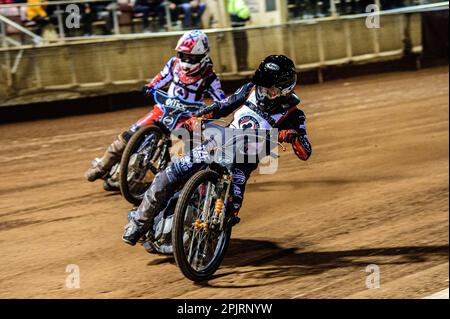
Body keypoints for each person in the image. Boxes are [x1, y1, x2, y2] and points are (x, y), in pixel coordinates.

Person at [122, 55, 312, 246]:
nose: (263, 92)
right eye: (261, 87)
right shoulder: (250, 90)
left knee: (231, 209)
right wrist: (196, 118)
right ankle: (138, 223)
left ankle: (210, 236)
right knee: (169, 174)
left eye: (269, 89)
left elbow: (305, 151)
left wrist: (292, 136)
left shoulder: (294, 114)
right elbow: (222, 106)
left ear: (285, 89)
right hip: (219, 142)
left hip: (243, 161)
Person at [84, 30, 226, 187]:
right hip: (164, 108)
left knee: (185, 153)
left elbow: (220, 101)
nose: (185, 60)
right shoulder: (174, 64)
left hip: (188, 117)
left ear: (202, 56)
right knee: (129, 134)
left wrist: (211, 112)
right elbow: (162, 77)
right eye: (183, 55)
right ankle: (101, 167)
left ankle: (183, 186)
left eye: (190, 57)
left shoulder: (210, 77)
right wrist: (150, 86)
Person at [227, 0, 251, 71]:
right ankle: (244, 66)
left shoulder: (230, 2)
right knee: (243, 47)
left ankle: (240, 66)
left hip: (234, 28)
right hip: (239, 28)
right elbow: (243, 14)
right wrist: (248, 17)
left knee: (238, 48)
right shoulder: (238, 1)